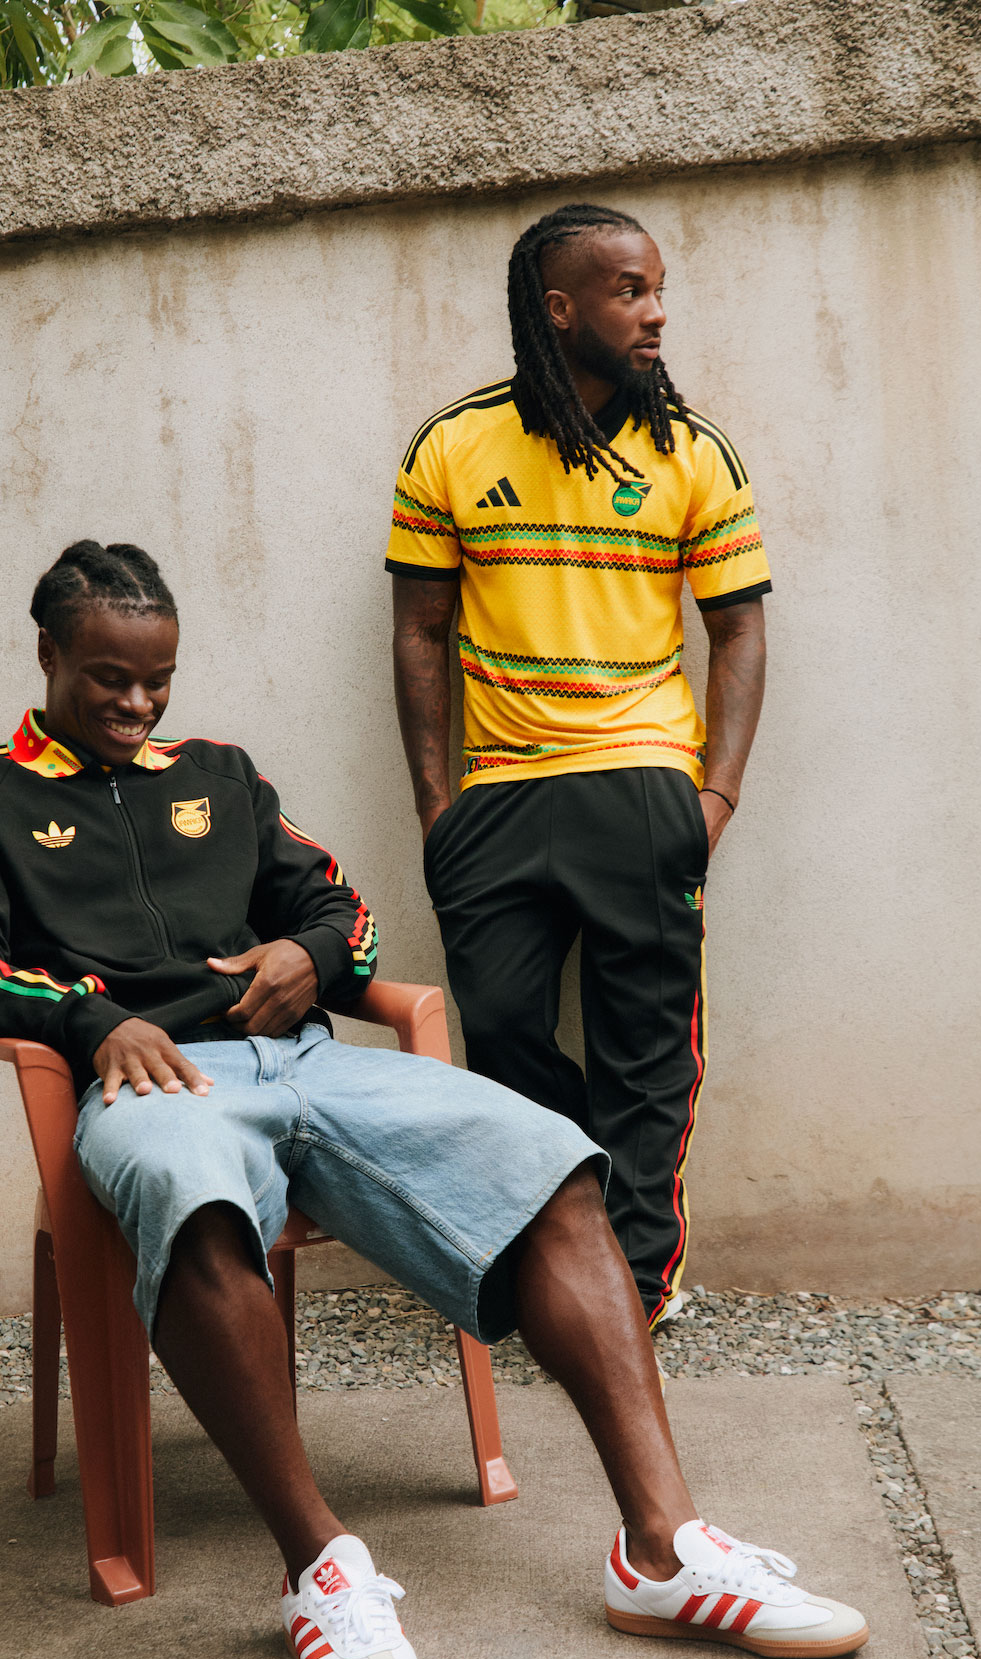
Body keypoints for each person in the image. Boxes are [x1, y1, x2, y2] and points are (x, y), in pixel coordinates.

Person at [0, 540, 864, 1659]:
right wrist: (94, 1020)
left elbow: (341, 909)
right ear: (49, 653)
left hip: (312, 1063)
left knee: (553, 1163)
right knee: (195, 1200)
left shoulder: (220, 776)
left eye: (158, 679)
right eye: (110, 678)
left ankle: (664, 1552)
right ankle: (323, 1570)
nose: (139, 703)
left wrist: (310, 955)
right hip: (156, 1082)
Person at [389, 203, 770, 1329]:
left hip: (644, 776)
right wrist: (437, 810)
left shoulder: (690, 452)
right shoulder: (451, 447)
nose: (656, 314)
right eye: (629, 291)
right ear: (558, 309)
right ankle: (569, 1237)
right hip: (500, 789)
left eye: (658, 291)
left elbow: (738, 631)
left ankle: (637, 1288)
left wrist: (714, 796)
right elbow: (418, 632)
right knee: (504, 1034)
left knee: (646, 1053)